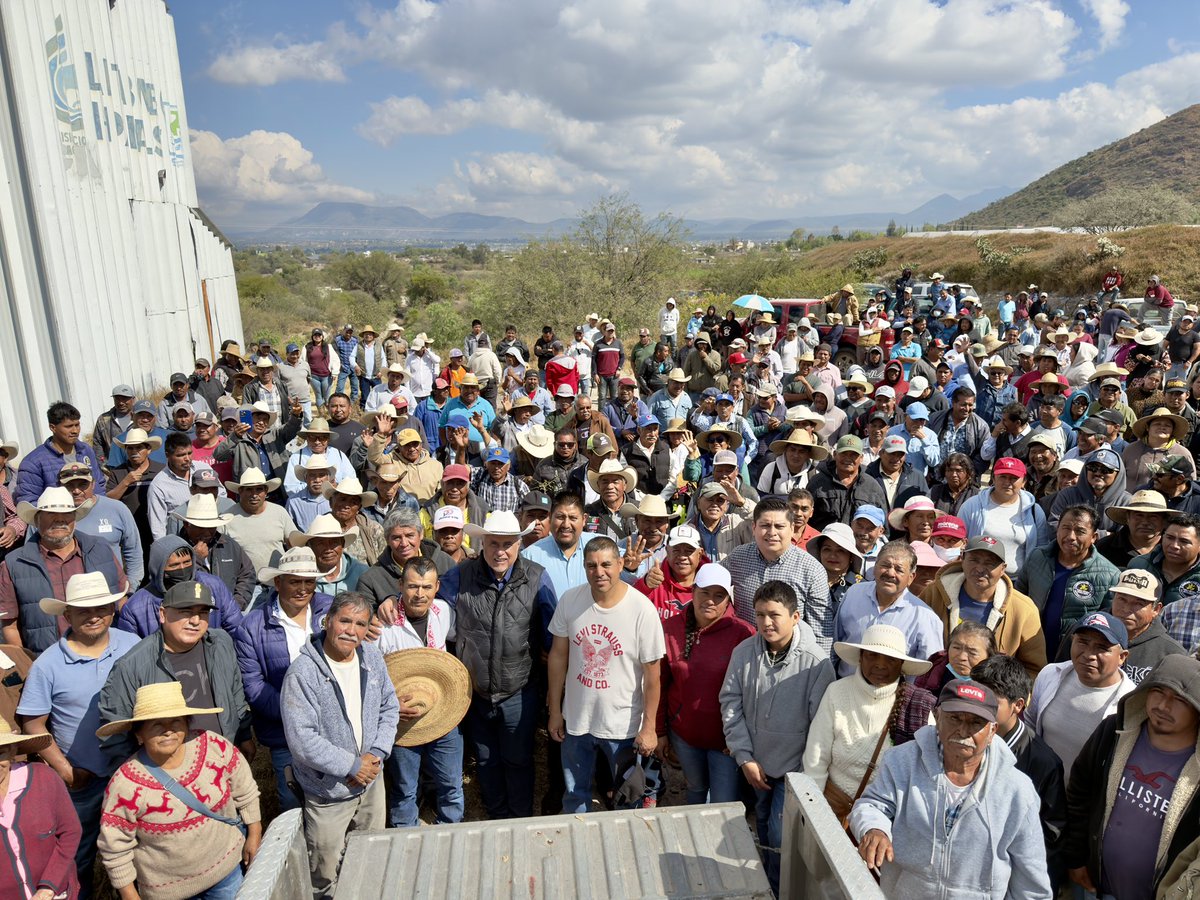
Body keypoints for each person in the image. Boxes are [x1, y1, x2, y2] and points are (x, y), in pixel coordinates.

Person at [850, 678, 1052, 899]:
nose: (963, 730)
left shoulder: (1017, 790)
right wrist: (874, 828)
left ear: (993, 730)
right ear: (937, 717)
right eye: (954, 718)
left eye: (976, 723)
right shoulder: (901, 761)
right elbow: (872, 805)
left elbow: (1031, 883)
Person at [16, 571, 139, 899]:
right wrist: (66, 771)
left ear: (113, 609)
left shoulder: (132, 645)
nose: (94, 615)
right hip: (82, 781)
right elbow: (33, 724)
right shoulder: (48, 664)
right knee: (76, 858)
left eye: (101, 607)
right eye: (83, 610)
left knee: (138, 853)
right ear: (67, 614)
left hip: (132, 773)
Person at [437, 511, 556, 819]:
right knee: (487, 759)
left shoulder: (537, 577)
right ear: (482, 543)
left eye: (508, 544)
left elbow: (552, 634)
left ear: (519, 544)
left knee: (518, 759)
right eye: (493, 544)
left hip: (519, 689)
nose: (500, 551)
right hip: (475, 691)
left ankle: (518, 817)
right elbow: (427, 606)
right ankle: (497, 816)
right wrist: (390, 604)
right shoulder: (460, 575)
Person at [278, 591, 398, 897]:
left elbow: (389, 706)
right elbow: (302, 740)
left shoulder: (370, 657)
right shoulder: (303, 674)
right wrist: (351, 765)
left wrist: (377, 753)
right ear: (328, 621)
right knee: (325, 869)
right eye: (344, 620)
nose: (352, 630)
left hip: (371, 781)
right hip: (329, 791)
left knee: (371, 854)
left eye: (360, 623)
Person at [95, 681, 261, 900]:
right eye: (156, 724)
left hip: (228, 873)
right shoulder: (125, 784)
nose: (168, 730)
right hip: (168, 892)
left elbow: (245, 789)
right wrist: (129, 894)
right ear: (139, 734)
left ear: (187, 724)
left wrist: (255, 833)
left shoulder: (214, 747)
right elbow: (115, 848)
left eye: (176, 721)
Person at [720, 580, 834, 893]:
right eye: (759, 615)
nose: (766, 622)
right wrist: (744, 757)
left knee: (780, 835)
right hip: (755, 764)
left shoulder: (815, 663)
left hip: (793, 771)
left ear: (795, 617)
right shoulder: (744, 652)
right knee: (764, 827)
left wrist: (802, 773)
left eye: (774, 615)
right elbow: (730, 702)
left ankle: (779, 889)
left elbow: (820, 726)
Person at [1065, 655, 1200, 900]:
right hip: (1095, 889)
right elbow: (1078, 793)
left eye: (1179, 700)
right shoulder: (1113, 732)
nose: (1163, 706)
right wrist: (1075, 858)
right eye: (1157, 691)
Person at [547, 536, 665, 812]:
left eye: (606, 565)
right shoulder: (570, 600)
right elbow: (558, 657)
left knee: (626, 798)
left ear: (621, 564)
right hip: (577, 720)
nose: (599, 572)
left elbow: (652, 676)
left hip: (622, 725)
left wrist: (649, 728)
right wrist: (555, 710)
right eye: (591, 565)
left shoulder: (641, 610)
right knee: (575, 795)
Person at [805, 624, 936, 825]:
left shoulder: (918, 705)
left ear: (901, 664)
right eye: (872, 656)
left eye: (890, 659)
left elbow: (929, 770)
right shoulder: (836, 692)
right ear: (860, 657)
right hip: (833, 809)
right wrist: (813, 810)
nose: (880, 665)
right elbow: (816, 758)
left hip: (886, 818)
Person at [234, 547, 334, 810]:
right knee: (293, 799)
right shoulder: (252, 626)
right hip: (285, 733)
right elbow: (253, 685)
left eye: (309, 582)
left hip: (334, 728)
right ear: (278, 583)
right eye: (294, 581)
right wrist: (295, 712)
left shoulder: (332, 611)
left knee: (336, 797)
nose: (302, 589)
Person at [373, 557, 465, 829]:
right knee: (404, 789)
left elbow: (455, 641)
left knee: (451, 783)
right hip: (401, 722)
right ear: (400, 585)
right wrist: (388, 707)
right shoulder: (382, 626)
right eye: (413, 586)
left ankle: (451, 828)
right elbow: (372, 676)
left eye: (426, 587)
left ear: (437, 587)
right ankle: (405, 837)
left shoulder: (445, 612)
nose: (420, 594)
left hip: (443, 713)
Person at [654, 564, 753, 804]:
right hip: (684, 735)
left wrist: (741, 740)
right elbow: (659, 682)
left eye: (719, 595)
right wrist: (659, 731)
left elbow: (752, 694)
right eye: (704, 592)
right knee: (696, 788)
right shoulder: (669, 628)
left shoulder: (744, 634)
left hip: (725, 741)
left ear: (729, 598)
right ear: (693, 591)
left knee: (723, 801)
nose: (710, 600)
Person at [0, 486, 128, 653]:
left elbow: (121, 598)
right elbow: (10, 624)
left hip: (106, 654)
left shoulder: (101, 549)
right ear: (37, 519)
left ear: (75, 518)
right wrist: (28, 667)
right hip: (46, 662)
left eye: (66, 514)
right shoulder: (13, 563)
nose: (59, 520)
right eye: (51, 515)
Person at [1027, 611, 1135, 781]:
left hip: (1085, 804)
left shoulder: (1131, 703)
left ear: (1122, 657)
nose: (1089, 655)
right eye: (1082, 642)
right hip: (1039, 791)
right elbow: (1030, 726)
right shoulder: (1050, 674)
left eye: (1101, 648)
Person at [923, 534, 1047, 676]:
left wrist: (1006, 694)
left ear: (1003, 569)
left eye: (990, 563)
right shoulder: (934, 593)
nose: (980, 569)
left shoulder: (1023, 609)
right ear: (962, 559)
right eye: (974, 560)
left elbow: (1034, 669)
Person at [720, 497, 830, 649]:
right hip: (743, 653)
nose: (772, 532)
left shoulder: (812, 570)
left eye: (779, 526)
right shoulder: (738, 557)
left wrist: (820, 670)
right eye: (765, 525)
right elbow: (709, 585)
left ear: (792, 528)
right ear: (754, 528)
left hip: (790, 659)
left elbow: (821, 632)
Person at [1015, 505, 1120, 660]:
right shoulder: (1038, 557)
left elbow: (1107, 625)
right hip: (1029, 650)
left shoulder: (1110, 575)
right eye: (1066, 528)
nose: (1071, 536)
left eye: (1080, 531)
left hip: (1073, 658)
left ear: (1094, 537)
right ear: (1057, 529)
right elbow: (1018, 598)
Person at [833, 541, 944, 675]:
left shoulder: (925, 617)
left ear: (911, 577)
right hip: (846, 687)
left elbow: (929, 672)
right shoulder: (854, 594)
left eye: (899, 569)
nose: (890, 573)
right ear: (874, 568)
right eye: (885, 565)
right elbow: (834, 641)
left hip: (896, 693)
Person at [0, 719, 80, 899]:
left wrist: (49, 886)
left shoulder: (43, 778)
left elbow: (71, 832)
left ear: (13, 751)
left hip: (57, 894)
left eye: (0, 753)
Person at [958, 456, 1045, 570]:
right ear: (993, 479)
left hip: (1019, 583)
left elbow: (1042, 548)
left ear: (1024, 481)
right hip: (978, 579)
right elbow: (959, 543)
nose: (1007, 482)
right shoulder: (971, 506)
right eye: (1003, 477)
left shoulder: (1034, 510)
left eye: (1014, 478)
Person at [15, 401, 106, 505]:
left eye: (77, 425)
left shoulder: (86, 450)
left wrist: (100, 509)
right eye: (69, 426)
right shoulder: (33, 462)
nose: (75, 431)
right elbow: (29, 502)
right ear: (52, 428)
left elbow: (99, 485)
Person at [1107, 568, 1187, 685]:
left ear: (1156, 609)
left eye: (1139, 603)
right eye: (1122, 599)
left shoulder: (1172, 654)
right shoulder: (1087, 634)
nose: (1126, 609)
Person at [807, 435, 888, 529]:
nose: (848, 458)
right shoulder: (817, 483)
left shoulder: (872, 486)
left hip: (859, 542)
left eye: (853, 454)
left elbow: (883, 524)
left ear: (861, 458)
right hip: (824, 541)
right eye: (844, 453)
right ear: (835, 455)